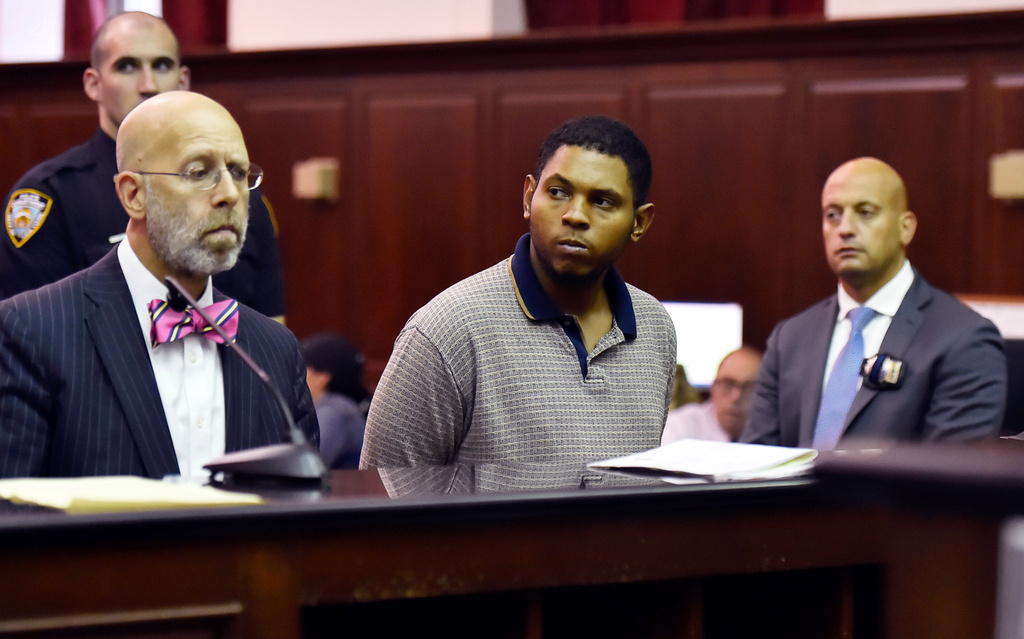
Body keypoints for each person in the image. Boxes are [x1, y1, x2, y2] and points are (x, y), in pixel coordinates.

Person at [0, 91, 317, 479]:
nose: (230, 194)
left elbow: (303, 514)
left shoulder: (274, 351)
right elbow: (13, 515)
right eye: (199, 172)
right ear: (134, 195)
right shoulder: (34, 331)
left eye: (238, 172)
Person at [360, 115, 677, 468]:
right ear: (529, 197)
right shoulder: (448, 329)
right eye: (558, 192)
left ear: (639, 223)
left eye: (602, 201)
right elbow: (382, 492)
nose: (574, 215)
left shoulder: (655, 327)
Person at [0, 11, 287, 320]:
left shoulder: (236, 193)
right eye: (127, 66)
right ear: (93, 84)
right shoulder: (53, 195)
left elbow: (270, 329)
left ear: (183, 81)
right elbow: (31, 334)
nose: (148, 84)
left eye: (162, 65)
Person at [741, 157, 1006, 449]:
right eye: (832, 215)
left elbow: (951, 480)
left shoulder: (963, 339)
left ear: (905, 227)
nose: (845, 229)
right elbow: (757, 463)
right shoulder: (790, 338)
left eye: (865, 212)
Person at [662, 346, 762, 444]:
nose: (736, 397)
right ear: (713, 388)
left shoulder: (772, 431)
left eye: (749, 387)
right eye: (727, 384)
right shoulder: (680, 426)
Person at [300, 332, 369, 469]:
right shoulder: (332, 407)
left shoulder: (335, 412)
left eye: (301, 367)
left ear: (322, 377)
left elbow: (303, 468)